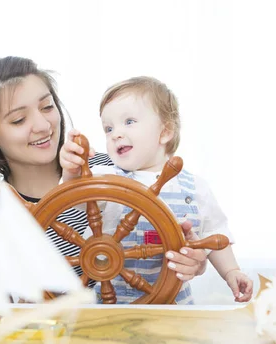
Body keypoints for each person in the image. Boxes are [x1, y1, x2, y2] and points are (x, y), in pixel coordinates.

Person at [0, 56, 208, 297]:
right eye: (18, 120)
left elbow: (167, 229)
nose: (42, 125)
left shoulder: (113, 171)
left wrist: (190, 259)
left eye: (47, 106)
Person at [60, 76, 253, 304]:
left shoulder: (195, 188)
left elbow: (214, 234)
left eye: (129, 121)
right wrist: (71, 173)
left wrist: (231, 272)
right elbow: (74, 200)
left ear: (165, 132)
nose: (115, 133)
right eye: (108, 128)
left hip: (174, 304)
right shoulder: (107, 178)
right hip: (113, 305)